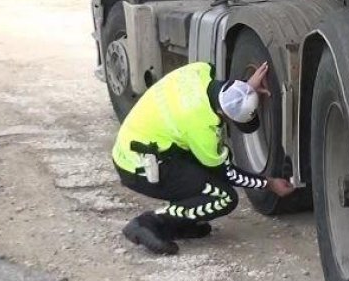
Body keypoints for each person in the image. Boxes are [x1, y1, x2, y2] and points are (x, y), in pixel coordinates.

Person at [113, 59, 295, 254]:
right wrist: (268, 183)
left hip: (136, 143)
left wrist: (245, 89)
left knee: (207, 174)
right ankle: (148, 222)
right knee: (223, 197)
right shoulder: (202, 126)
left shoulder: (200, 71)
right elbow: (228, 174)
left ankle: (180, 224)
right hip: (136, 165)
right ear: (221, 113)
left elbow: (230, 97)